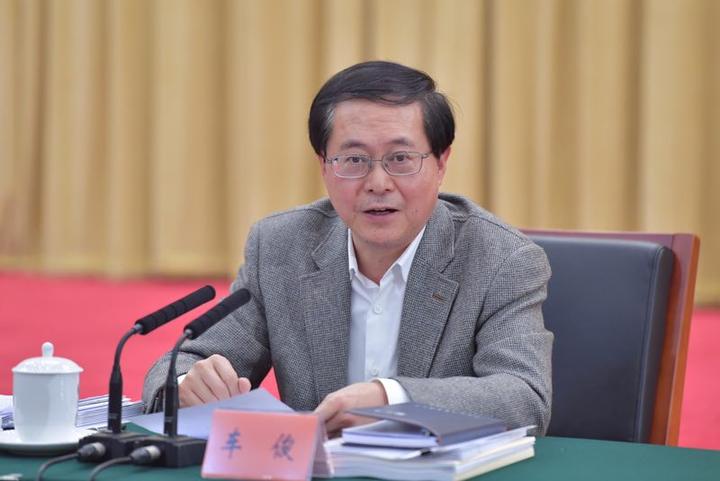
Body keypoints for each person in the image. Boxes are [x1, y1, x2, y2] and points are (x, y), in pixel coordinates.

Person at [142, 60, 553, 436]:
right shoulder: (281, 247)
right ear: (324, 165)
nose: (378, 183)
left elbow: (524, 396)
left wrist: (392, 398)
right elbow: (183, 362)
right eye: (354, 160)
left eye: (401, 158)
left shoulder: (501, 260)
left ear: (441, 163)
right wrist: (187, 383)